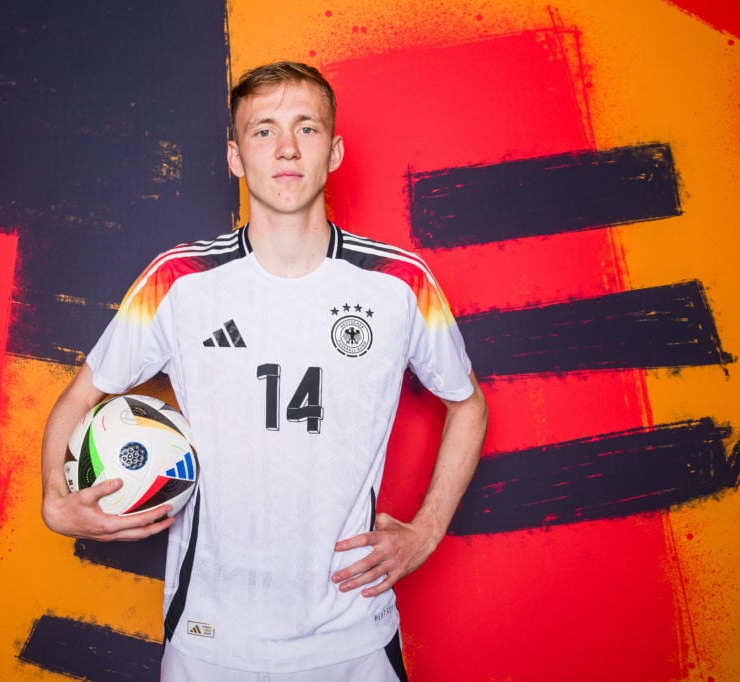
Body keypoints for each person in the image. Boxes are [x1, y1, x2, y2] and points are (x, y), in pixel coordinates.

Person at [41, 61, 488, 681]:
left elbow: (467, 404)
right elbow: (79, 398)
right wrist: (54, 502)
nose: (285, 149)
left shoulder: (399, 283)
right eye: (263, 131)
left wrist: (427, 530)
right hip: (210, 639)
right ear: (234, 156)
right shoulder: (180, 281)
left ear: (333, 153)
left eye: (306, 129)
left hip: (350, 637)